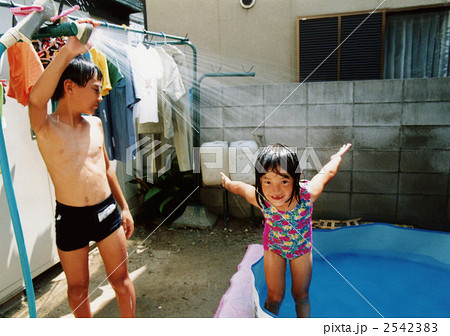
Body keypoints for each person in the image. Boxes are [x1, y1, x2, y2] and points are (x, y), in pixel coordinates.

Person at [28, 24, 136, 318]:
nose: (100, 97)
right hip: (70, 217)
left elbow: (105, 170)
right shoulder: (45, 126)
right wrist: (68, 52)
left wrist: (124, 208)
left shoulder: (97, 124)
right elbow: (37, 99)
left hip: (105, 212)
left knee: (121, 281)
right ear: (69, 87)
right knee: (77, 288)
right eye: (95, 90)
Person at [220, 143, 351, 317]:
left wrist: (337, 157)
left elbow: (327, 173)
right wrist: (228, 183)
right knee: (275, 297)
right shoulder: (262, 199)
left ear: (296, 178)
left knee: (301, 295)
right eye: (267, 181)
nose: (275, 190)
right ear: (259, 181)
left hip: (301, 249)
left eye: (284, 180)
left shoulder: (307, 194)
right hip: (274, 248)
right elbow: (241, 188)